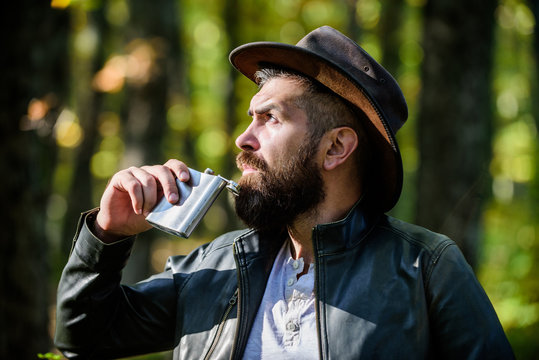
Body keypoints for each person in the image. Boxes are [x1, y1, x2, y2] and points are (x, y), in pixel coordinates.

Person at [54, 26, 514, 359]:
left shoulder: (426, 268)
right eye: (250, 117)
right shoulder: (217, 266)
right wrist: (107, 235)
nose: (242, 139)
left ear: (335, 147)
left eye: (269, 119)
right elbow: (83, 335)